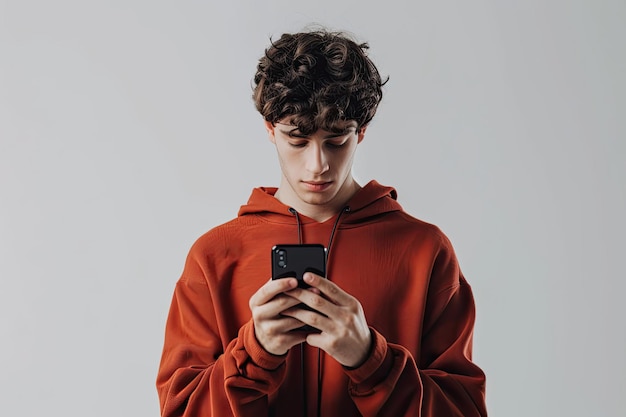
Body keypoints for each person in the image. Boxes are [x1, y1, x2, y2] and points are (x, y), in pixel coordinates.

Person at [156, 29, 487, 417]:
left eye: (337, 140)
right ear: (270, 130)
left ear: (361, 131)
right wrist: (254, 352)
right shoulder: (213, 256)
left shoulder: (425, 250)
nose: (318, 165)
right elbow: (180, 411)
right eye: (298, 140)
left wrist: (369, 358)